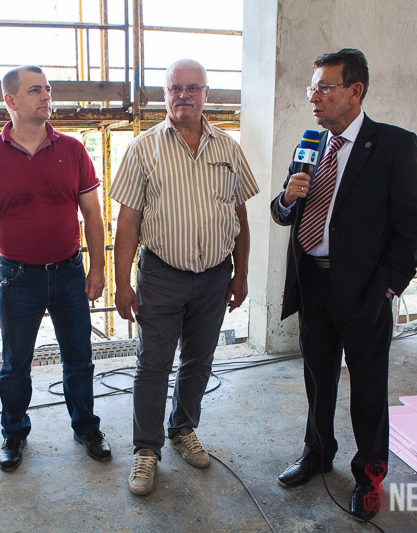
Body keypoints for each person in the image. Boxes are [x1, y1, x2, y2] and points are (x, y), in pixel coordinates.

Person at [270, 49, 417, 521]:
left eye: (325, 88)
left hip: (365, 292)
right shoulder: (310, 145)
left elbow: (413, 223)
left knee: (368, 386)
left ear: (355, 91)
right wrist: (286, 198)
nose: (314, 98)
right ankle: (318, 453)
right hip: (313, 285)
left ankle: (369, 475)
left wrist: (390, 287)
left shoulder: (393, 146)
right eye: (312, 88)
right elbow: (283, 212)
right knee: (318, 378)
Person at [110, 58, 260, 496]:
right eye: (175, 88)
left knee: (199, 359)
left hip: (214, 277)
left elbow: (240, 217)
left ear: (206, 94)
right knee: (153, 364)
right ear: (165, 95)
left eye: (193, 88)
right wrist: (122, 283)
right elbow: (128, 222)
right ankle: (146, 449)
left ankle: (182, 429)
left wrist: (241, 273)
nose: (184, 95)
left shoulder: (228, 148)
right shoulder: (143, 149)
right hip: (162, 275)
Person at [0, 65, 111, 472]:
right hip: (17, 278)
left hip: (69, 272)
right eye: (35, 90)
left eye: (47, 88)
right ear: (10, 100)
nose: (46, 95)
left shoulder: (73, 150)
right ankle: (13, 434)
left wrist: (97, 269)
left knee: (79, 356)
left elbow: (93, 215)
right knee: (16, 364)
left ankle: (86, 427)